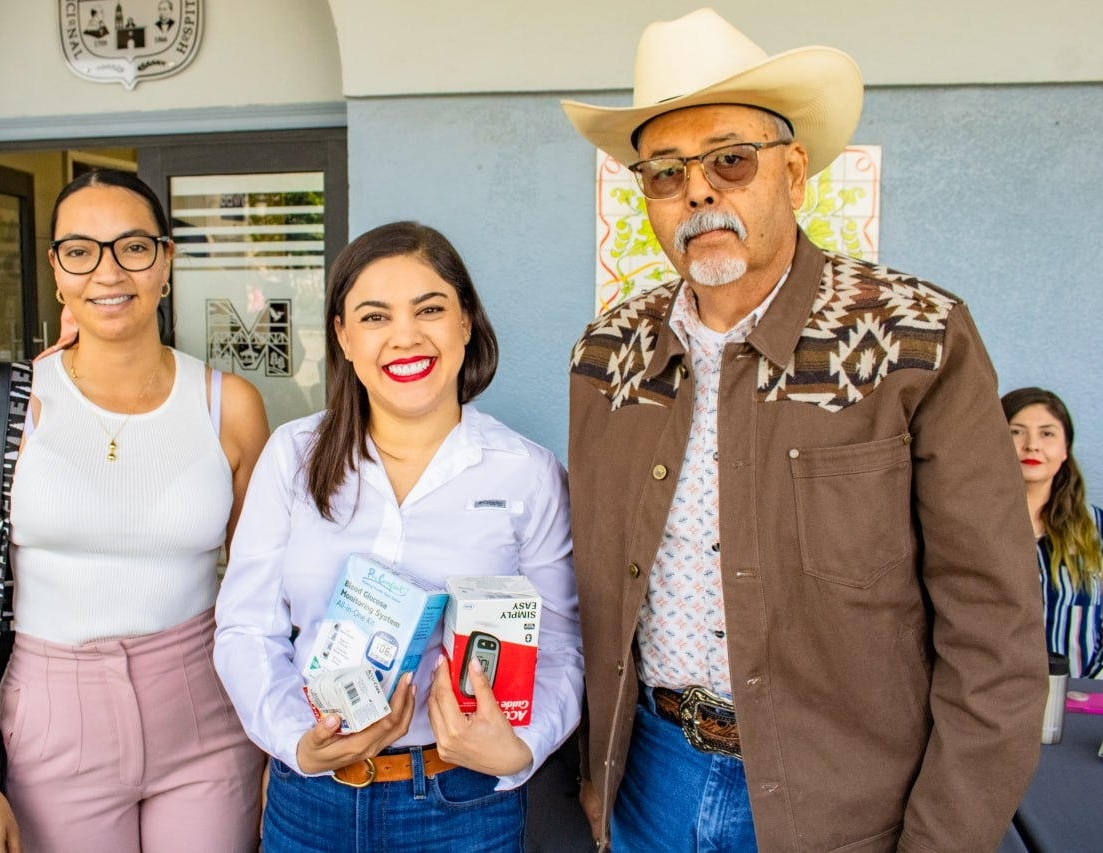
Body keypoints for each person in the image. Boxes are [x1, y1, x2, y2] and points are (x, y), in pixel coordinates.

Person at [560, 9, 1045, 851]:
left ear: (793, 172)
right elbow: (593, 596)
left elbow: (994, 637)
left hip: (848, 801)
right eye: (666, 172)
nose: (698, 191)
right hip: (650, 786)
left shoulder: (917, 338)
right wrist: (596, 778)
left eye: (730, 159)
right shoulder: (608, 355)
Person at [213, 221, 583, 852]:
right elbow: (247, 627)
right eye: (375, 316)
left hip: (462, 801)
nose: (404, 336)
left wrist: (521, 746)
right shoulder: (293, 456)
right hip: (312, 800)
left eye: (430, 309)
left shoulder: (527, 472)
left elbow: (562, 644)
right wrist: (298, 741)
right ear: (343, 337)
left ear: (466, 322)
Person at [0, 169, 269, 852]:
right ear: (57, 271)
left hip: (206, 711)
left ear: (166, 262)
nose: (108, 272)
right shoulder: (7, 406)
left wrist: (277, 742)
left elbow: (262, 592)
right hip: (54, 716)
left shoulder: (228, 406)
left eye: (134, 247)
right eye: (80, 251)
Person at [1003, 387, 1103, 678]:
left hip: (1082, 696)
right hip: (991, 699)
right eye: (1016, 432)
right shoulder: (964, 529)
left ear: (1065, 449)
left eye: (1047, 433)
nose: (1032, 445)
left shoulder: (1097, 529)